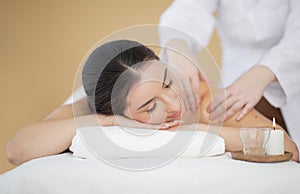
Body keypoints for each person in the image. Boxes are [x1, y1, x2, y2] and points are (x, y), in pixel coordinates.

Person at [6, 40, 299, 165]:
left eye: (168, 82)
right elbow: (18, 150)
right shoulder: (99, 107)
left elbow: (288, 148)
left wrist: (193, 131)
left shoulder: (205, 98)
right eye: (149, 106)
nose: (173, 103)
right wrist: (112, 122)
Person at [159, 0, 300, 149]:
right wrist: (177, 46)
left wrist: (264, 72)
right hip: (232, 81)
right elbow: (188, 9)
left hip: (291, 75)